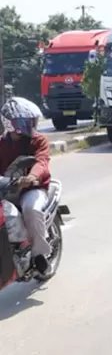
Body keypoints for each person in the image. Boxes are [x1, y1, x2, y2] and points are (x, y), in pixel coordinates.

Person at [0, 97, 52, 275]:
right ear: (10, 123)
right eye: (25, 120)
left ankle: (39, 255)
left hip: (33, 188)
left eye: (31, 120)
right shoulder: (1, 144)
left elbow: (41, 162)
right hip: (7, 190)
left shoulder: (38, 140)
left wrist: (31, 176)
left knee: (31, 209)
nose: (31, 124)